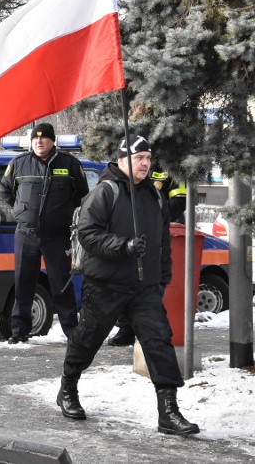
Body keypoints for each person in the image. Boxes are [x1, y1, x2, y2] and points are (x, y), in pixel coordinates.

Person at [57, 134, 199, 436]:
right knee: (88, 339)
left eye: (148, 158)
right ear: (123, 160)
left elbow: (162, 242)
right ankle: (68, 388)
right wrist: (122, 245)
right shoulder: (105, 191)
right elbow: (88, 233)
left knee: (159, 342)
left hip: (144, 288)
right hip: (106, 285)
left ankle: (169, 412)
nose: (146, 163)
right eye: (139, 158)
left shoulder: (155, 196)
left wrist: (162, 278)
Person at [0, 122, 89, 343]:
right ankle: (19, 331)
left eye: (44, 138)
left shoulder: (69, 164)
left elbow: (82, 194)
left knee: (61, 284)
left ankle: (71, 330)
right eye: (35, 138)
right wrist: (20, 211)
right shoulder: (19, 164)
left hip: (57, 235)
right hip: (26, 233)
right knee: (23, 283)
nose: (39, 141)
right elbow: (5, 190)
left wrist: (65, 212)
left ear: (52, 141)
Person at [110, 165, 187, 347]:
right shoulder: (132, 167)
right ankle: (126, 328)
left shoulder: (173, 168)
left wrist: (150, 214)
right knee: (128, 281)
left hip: (162, 233)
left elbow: (180, 201)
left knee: (153, 283)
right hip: (132, 234)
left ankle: (152, 331)